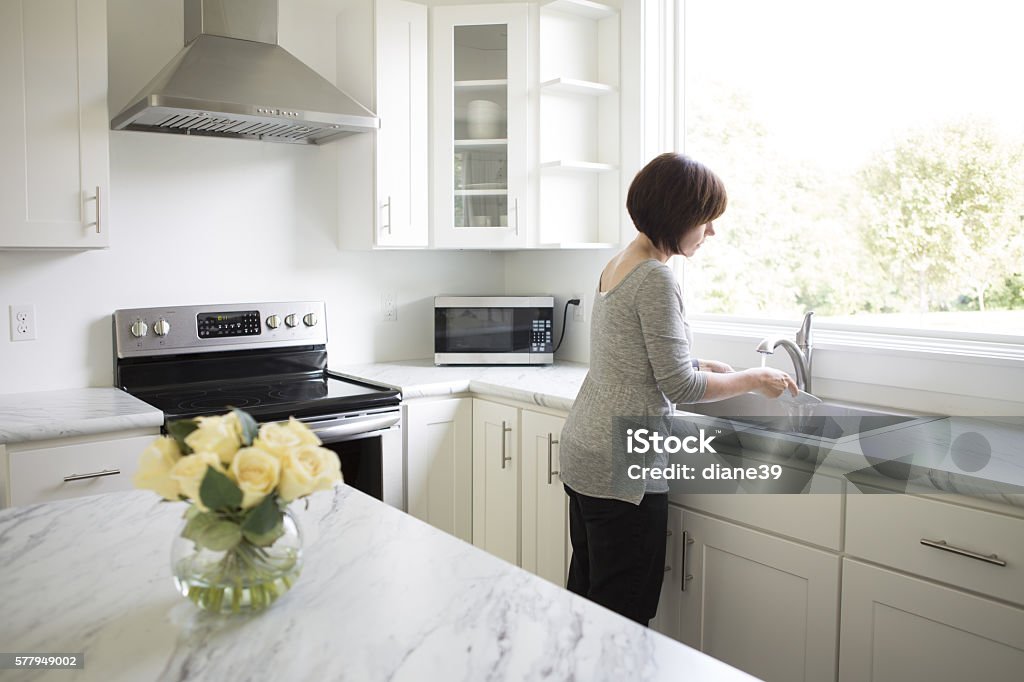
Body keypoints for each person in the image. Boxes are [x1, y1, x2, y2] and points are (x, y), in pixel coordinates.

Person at [558, 152, 798, 626]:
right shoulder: (655, 277)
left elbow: (631, 356)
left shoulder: (622, 262)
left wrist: (699, 361)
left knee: (587, 601)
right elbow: (681, 386)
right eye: (706, 221)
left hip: (586, 449)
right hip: (622, 466)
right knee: (623, 615)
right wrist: (754, 378)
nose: (711, 233)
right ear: (679, 215)